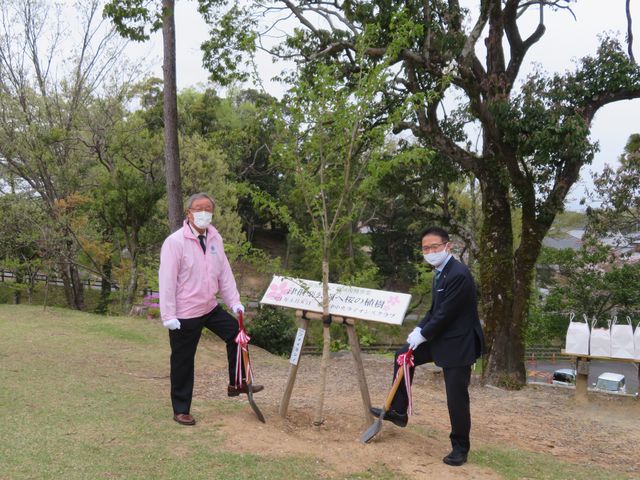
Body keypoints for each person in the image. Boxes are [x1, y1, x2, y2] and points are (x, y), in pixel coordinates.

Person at [370, 226, 484, 466]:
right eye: (425, 248)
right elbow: (434, 310)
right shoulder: (440, 272)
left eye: (434, 247)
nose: (430, 251)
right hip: (441, 337)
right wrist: (419, 329)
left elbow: (446, 314)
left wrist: (424, 334)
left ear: (447, 246)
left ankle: (460, 447)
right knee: (403, 356)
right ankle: (399, 411)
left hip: (459, 343)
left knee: (456, 397)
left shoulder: (458, 274)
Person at [158, 192, 263, 426]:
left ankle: (236, 383)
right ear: (189, 212)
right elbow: (166, 280)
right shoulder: (175, 242)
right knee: (183, 361)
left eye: (208, 209)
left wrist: (234, 300)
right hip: (185, 312)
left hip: (210, 306)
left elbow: (224, 272)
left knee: (238, 335)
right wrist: (168, 315)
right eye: (198, 208)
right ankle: (181, 409)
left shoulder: (215, 238)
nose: (203, 213)